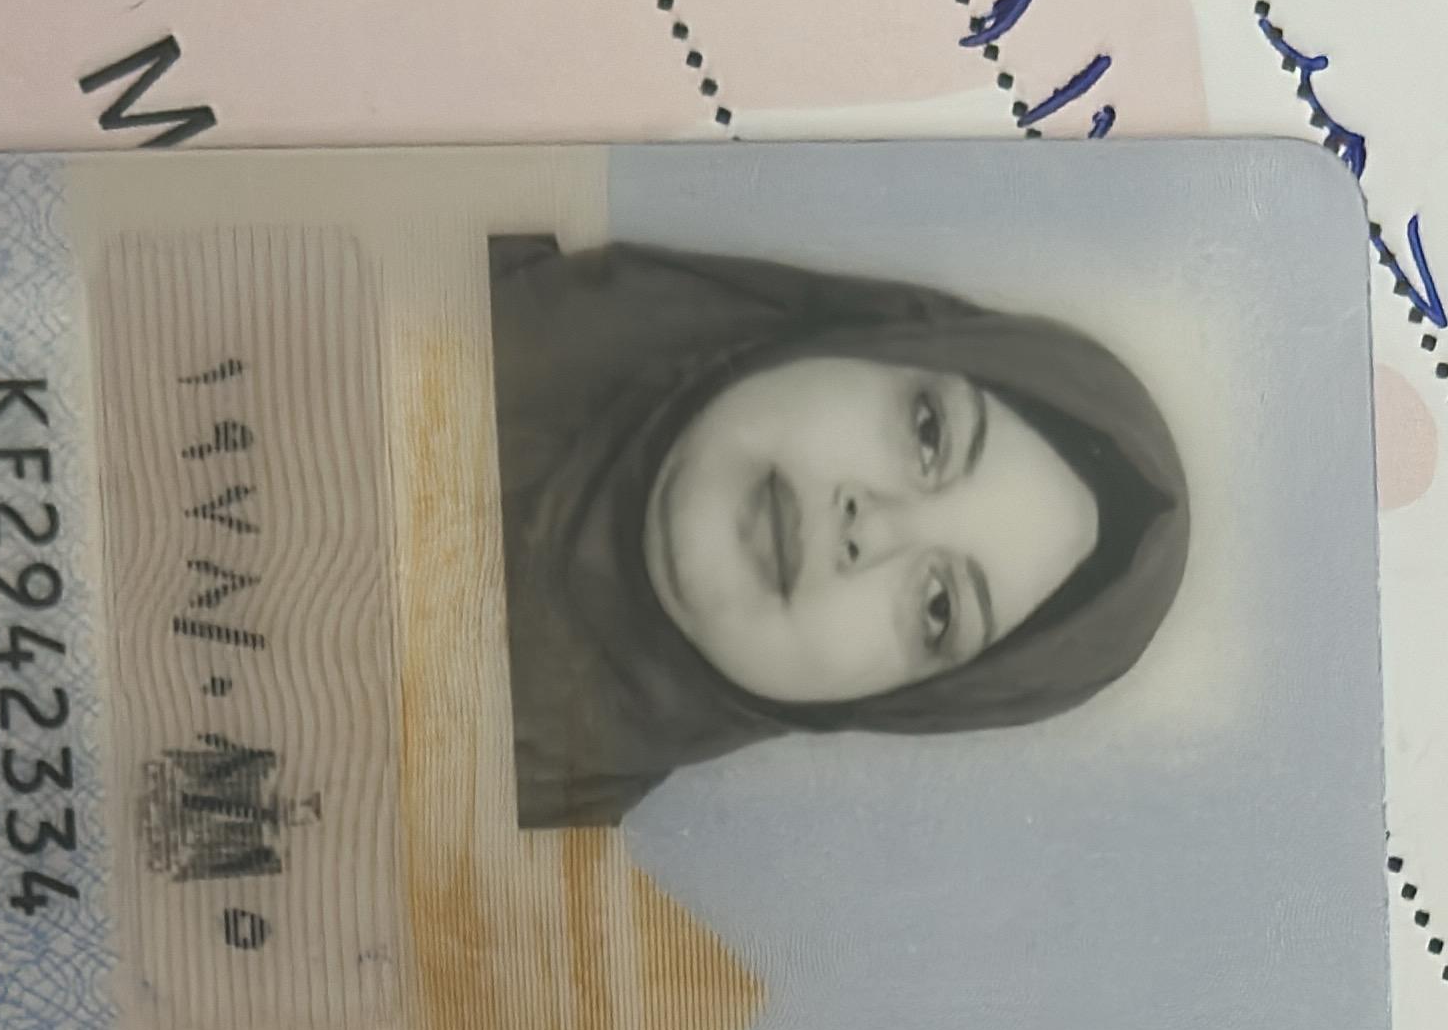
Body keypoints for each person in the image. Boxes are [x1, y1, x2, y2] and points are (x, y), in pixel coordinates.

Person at [488, 233, 1190, 828]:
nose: (873, 524)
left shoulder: (498, 854)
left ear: (886, 704)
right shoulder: (459, 247)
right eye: (929, 433)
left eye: (939, 609)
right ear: (866, 341)